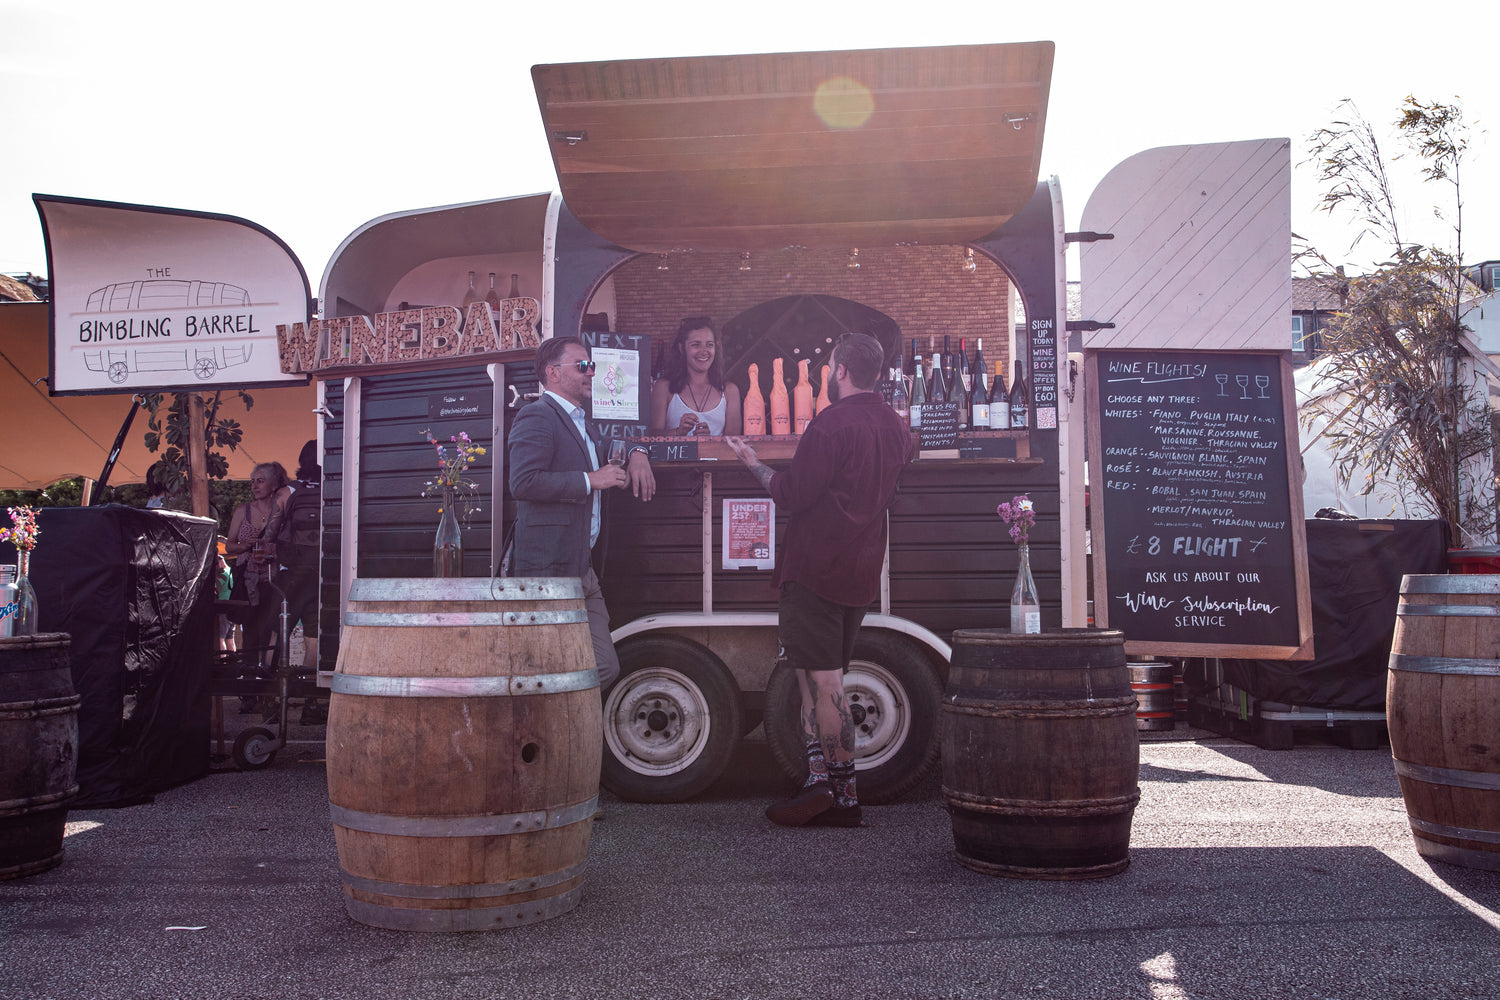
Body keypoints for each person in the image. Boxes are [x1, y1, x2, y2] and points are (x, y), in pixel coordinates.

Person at [726, 332, 913, 828]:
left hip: (815, 570)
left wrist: (752, 463)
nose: (829, 374)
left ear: (841, 372)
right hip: (860, 571)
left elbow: (791, 492)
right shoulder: (896, 425)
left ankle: (845, 799)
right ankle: (817, 784)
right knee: (813, 679)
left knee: (826, 684)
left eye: (830, 367)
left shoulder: (830, 425)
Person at [509, 337, 656, 689]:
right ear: (553, 373)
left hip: (582, 568)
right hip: (548, 570)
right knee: (547, 667)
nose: (592, 372)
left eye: (592, 365)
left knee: (602, 666)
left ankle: (560, 729)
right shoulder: (537, 415)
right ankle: (547, 734)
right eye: (583, 366)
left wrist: (637, 452)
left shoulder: (582, 422)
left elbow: (612, 446)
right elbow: (524, 482)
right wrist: (592, 480)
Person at [224, 461, 288, 673]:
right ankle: (249, 685)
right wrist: (245, 545)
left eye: (260, 481)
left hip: (274, 579)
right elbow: (228, 545)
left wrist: (275, 552)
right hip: (248, 581)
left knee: (272, 630)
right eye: (253, 481)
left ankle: (270, 683)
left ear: (274, 485)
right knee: (250, 630)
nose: (254, 486)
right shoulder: (243, 511)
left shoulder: (283, 512)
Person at [649, 317, 743, 437]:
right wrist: (678, 432)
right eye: (696, 345)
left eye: (709, 345)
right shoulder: (663, 387)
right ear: (681, 348)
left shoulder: (730, 391)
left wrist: (709, 441)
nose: (704, 351)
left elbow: (734, 443)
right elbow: (652, 436)